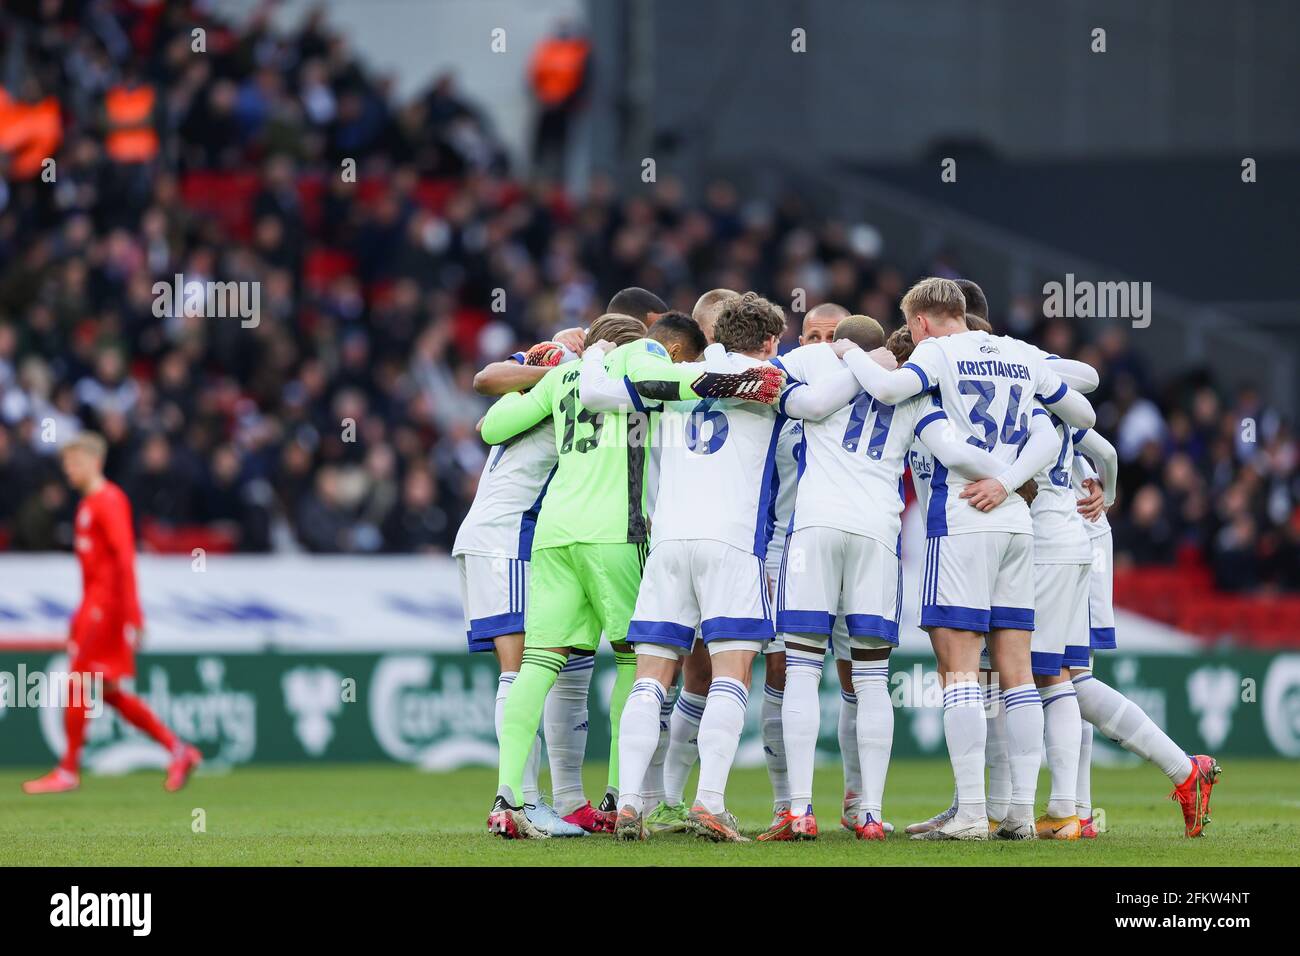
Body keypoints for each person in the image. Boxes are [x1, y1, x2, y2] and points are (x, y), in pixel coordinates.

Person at [481, 313, 782, 838]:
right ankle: (625, 796)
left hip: (554, 532)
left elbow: (491, 427)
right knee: (635, 663)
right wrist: (728, 381)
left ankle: (510, 799)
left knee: (538, 663)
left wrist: (542, 365)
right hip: (616, 531)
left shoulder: (568, 374)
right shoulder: (643, 356)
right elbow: (658, 379)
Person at [838, 277, 1096, 840]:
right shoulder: (1019, 352)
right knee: (1018, 672)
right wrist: (1007, 480)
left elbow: (885, 391)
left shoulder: (934, 353)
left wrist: (851, 350)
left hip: (960, 516)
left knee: (958, 669)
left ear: (923, 321)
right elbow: (1077, 415)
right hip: (1015, 521)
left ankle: (974, 812)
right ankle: (1022, 812)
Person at [24, 433, 201, 795]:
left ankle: (69, 770)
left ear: (95, 461)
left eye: (74, 462)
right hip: (92, 607)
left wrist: (132, 615)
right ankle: (178, 749)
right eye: (66, 464)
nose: (68, 470)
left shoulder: (110, 501)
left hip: (106, 611)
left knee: (78, 682)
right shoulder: (86, 505)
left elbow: (124, 559)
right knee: (106, 691)